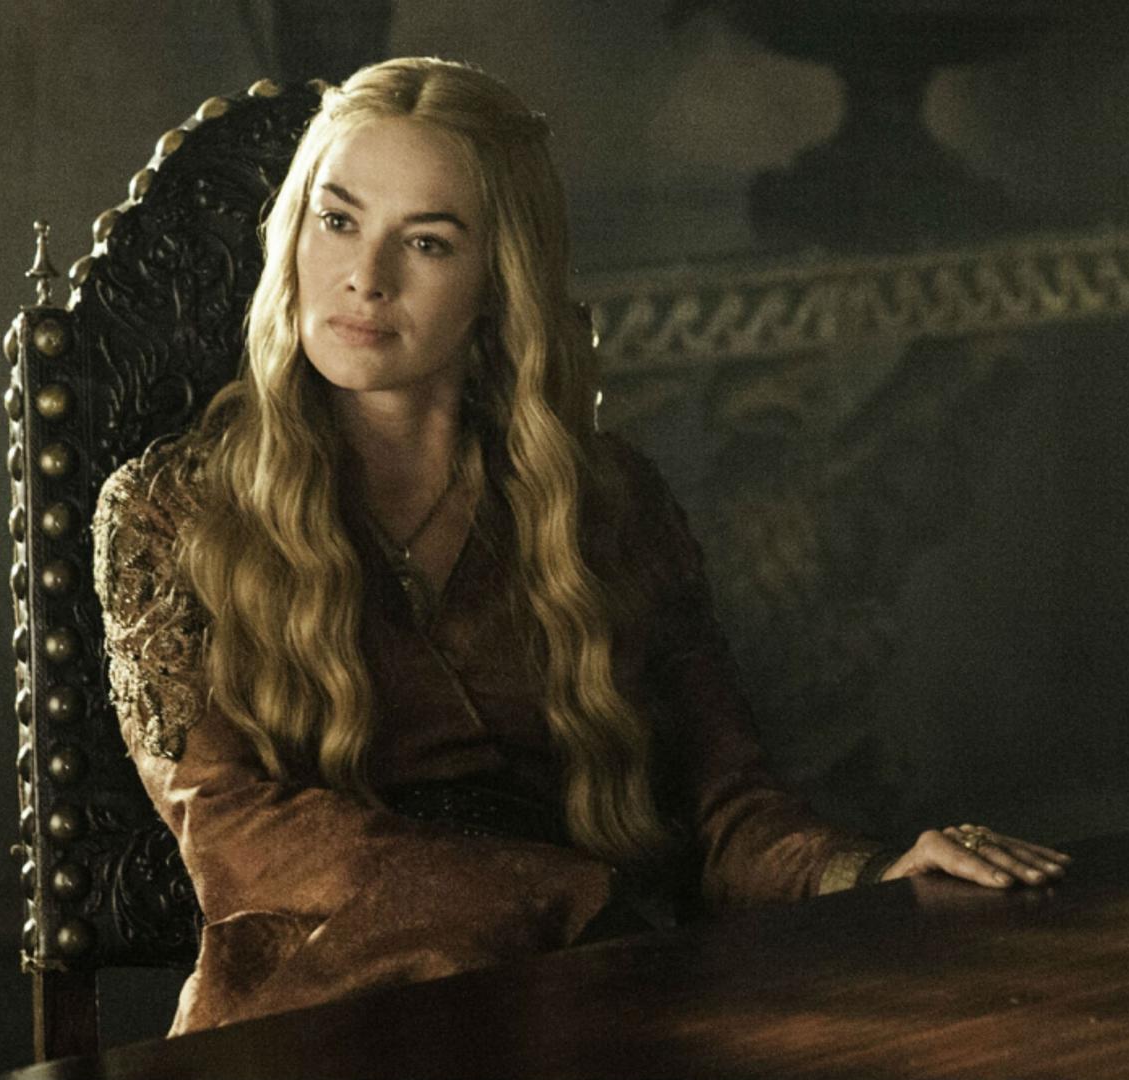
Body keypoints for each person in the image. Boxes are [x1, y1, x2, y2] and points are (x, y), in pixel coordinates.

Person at [92, 56, 1070, 1036]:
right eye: (337, 220)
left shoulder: (603, 504)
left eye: (426, 242)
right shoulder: (173, 513)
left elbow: (722, 807)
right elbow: (233, 830)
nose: (364, 277)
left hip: (579, 1006)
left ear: (497, 279)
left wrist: (871, 871)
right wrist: (571, 902)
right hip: (315, 1019)